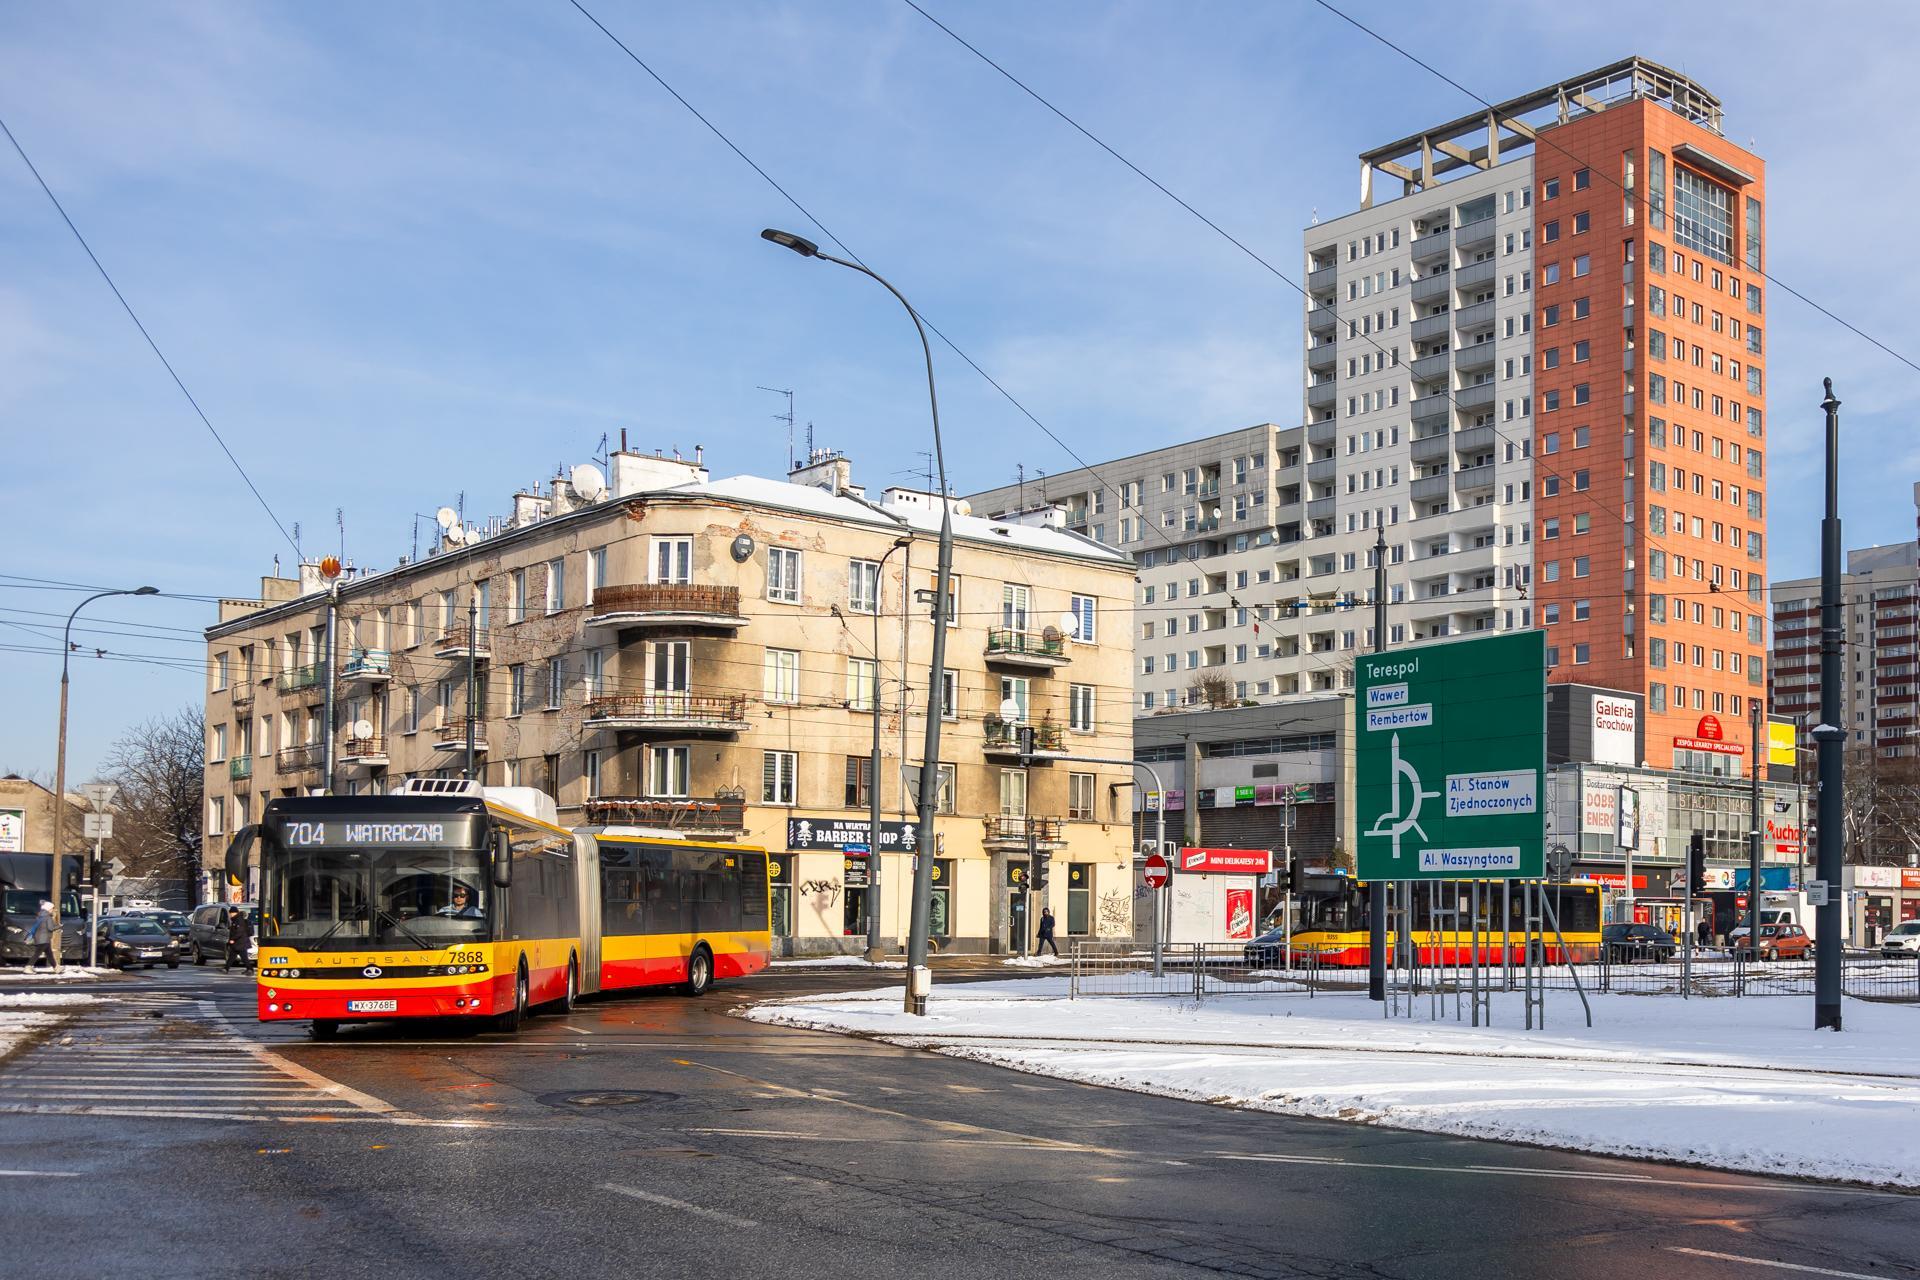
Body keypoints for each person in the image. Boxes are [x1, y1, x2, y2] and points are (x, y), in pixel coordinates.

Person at [26, 900, 61, 975]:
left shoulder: (40, 916)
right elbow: (50, 928)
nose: (52, 910)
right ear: (48, 909)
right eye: (52, 909)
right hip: (44, 939)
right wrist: (59, 926)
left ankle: (56, 967)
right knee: (37, 954)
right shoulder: (48, 917)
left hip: (40, 938)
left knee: (49, 954)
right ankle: (28, 967)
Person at [225, 907, 253, 973]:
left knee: (242, 957)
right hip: (239, 942)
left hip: (240, 942)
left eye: (231, 913)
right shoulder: (236, 919)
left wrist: (232, 939)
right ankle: (226, 968)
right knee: (233, 956)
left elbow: (239, 932)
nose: (230, 914)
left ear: (234, 913)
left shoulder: (239, 920)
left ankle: (250, 969)